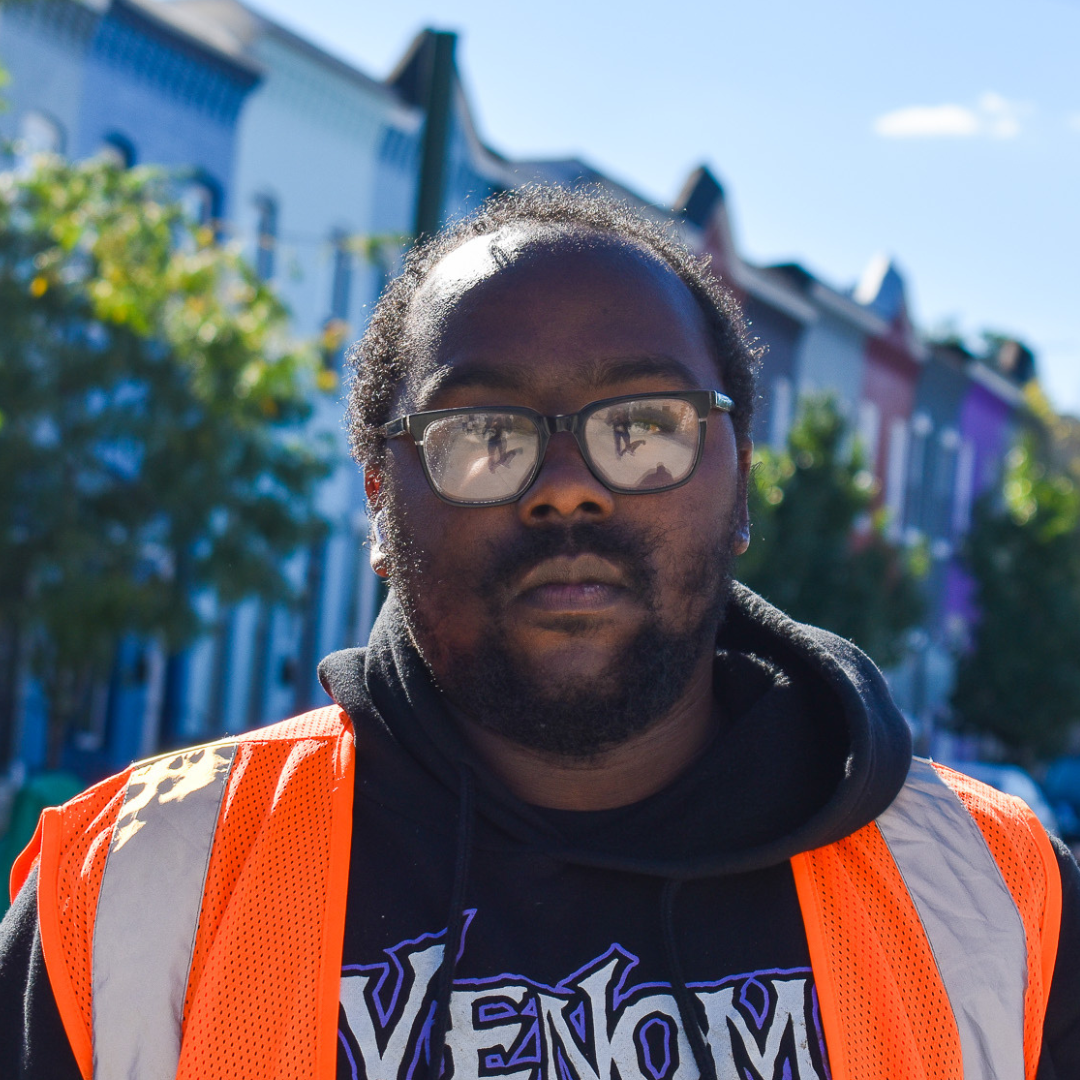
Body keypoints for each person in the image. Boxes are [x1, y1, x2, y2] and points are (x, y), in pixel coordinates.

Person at [2, 186, 1078, 1080]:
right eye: (483, 434)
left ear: (740, 483)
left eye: (644, 426)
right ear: (382, 499)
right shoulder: (144, 890)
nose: (568, 490)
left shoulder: (993, 895)